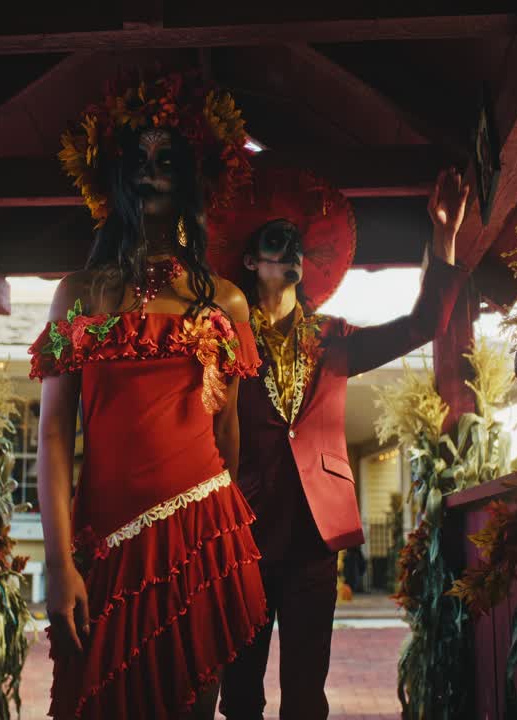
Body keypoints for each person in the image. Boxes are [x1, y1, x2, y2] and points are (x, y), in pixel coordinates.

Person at [31, 69, 267, 720]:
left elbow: (230, 439)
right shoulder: (77, 294)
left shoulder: (227, 300)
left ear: (193, 174)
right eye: (136, 158)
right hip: (101, 543)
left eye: (167, 159)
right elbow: (53, 434)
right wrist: (56, 561)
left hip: (202, 532)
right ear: (111, 172)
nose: (151, 171)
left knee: (193, 706)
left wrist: (213, 528)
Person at [207, 164, 475, 719]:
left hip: (313, 539)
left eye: (297, 244)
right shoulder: (222, 338)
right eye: (276, 242)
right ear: (251, 261)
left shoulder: (335, 338)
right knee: (238, 699)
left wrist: (443, 238)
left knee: (306, 699)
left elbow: (420, 326)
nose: (291, 250)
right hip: (244, 537)